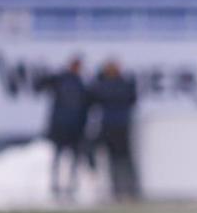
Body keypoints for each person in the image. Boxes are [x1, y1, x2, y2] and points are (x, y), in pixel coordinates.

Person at [34, 56, 89, 202]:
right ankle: (55, 185)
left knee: (73, 159)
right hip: (61, 127)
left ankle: (71, 186)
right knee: (58, 157)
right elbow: (40, 85)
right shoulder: (61, 79)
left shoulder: (80, 83)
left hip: (75, 128)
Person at [88, 60, 140, 201]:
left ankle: (120, 189)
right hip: (121, 124)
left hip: (111, 124)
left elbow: (94, 97)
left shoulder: (104, 85)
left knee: (116, 159)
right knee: (123, 159)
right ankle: (129, 189)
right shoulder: (124, 84)